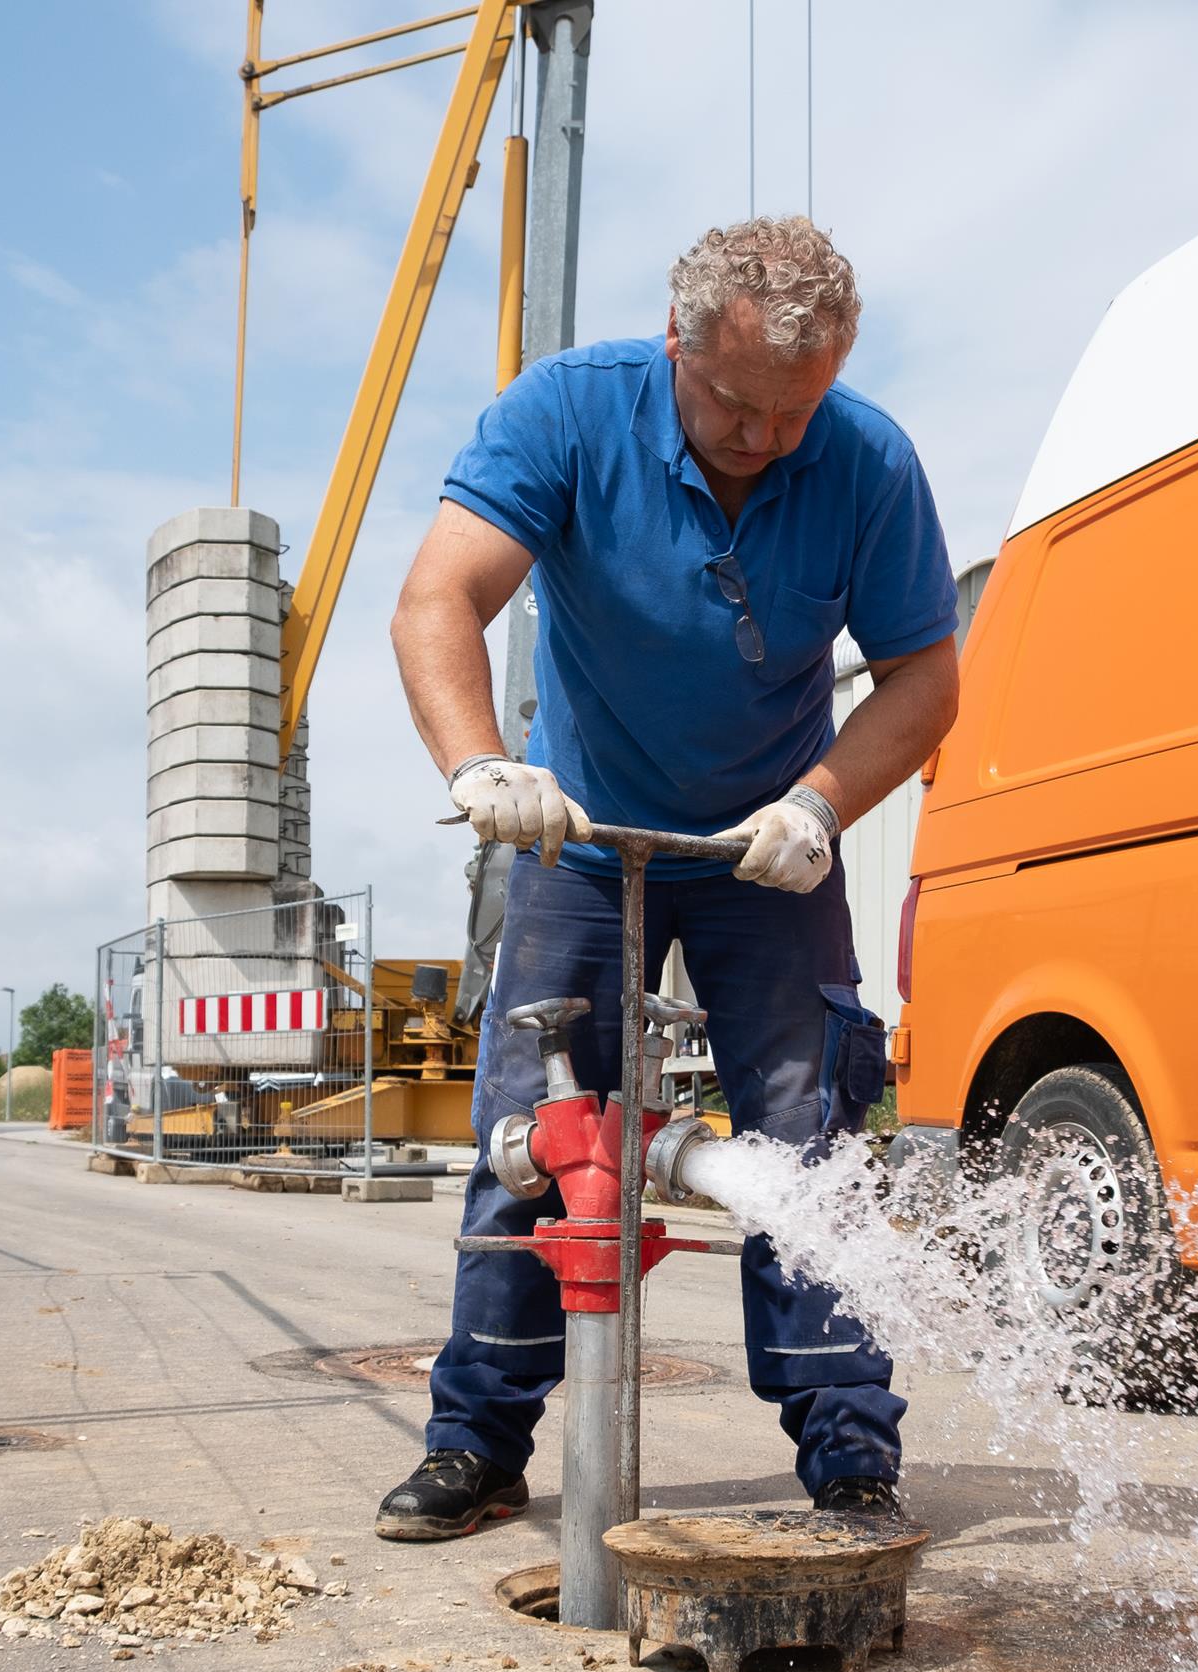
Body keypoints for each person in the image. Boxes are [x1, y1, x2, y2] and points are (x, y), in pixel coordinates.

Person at [377, 216, 961, 1540]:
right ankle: (476, 1441)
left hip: (770, 851)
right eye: (736, 409)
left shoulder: (865, 460)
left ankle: (851, 1449)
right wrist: (480, 767)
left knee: (809, 1145)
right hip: (580, 838)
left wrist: (821, 803)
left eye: (792, 416)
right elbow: (436, 602)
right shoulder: (569, 417)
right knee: (533, 1140)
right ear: (676, 345)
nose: (765, 441)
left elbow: (927, 676)